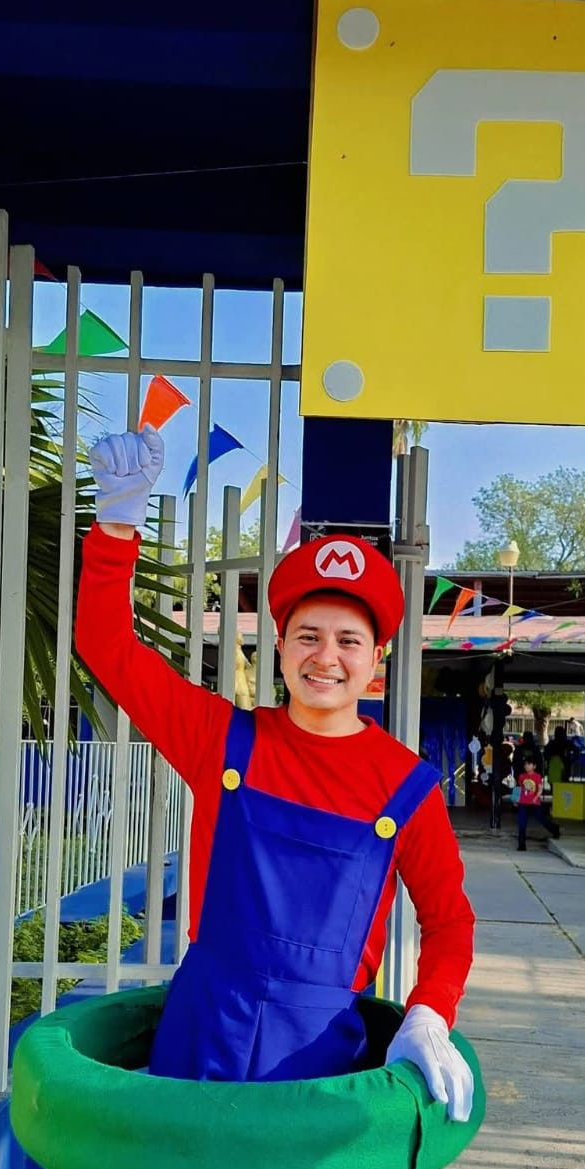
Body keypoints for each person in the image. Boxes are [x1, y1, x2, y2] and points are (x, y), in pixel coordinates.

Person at [75, 427, 475, 1121]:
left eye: (349, 641)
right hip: (201, 1034)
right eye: (307, 637)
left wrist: (429, 1013)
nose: (327, 657)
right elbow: (106, 647)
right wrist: (116, 527)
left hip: (321, 1062)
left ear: (375, 659)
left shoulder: (407, 787)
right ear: (280, 649)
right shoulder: (219, 738)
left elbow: (449, 923)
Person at [514, 754, 560, 852]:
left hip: (534, 804)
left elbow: (539, 789)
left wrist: (536, 797)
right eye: (525, 764)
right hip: (523, 803)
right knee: (522, 824)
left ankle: (555, 829)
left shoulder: (537, 776)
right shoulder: (522, 776)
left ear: (534, 766)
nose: (527, 766)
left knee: (542, 820)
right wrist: (516, 799)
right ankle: (521, 845)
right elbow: (520, 788)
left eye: (529, 764)